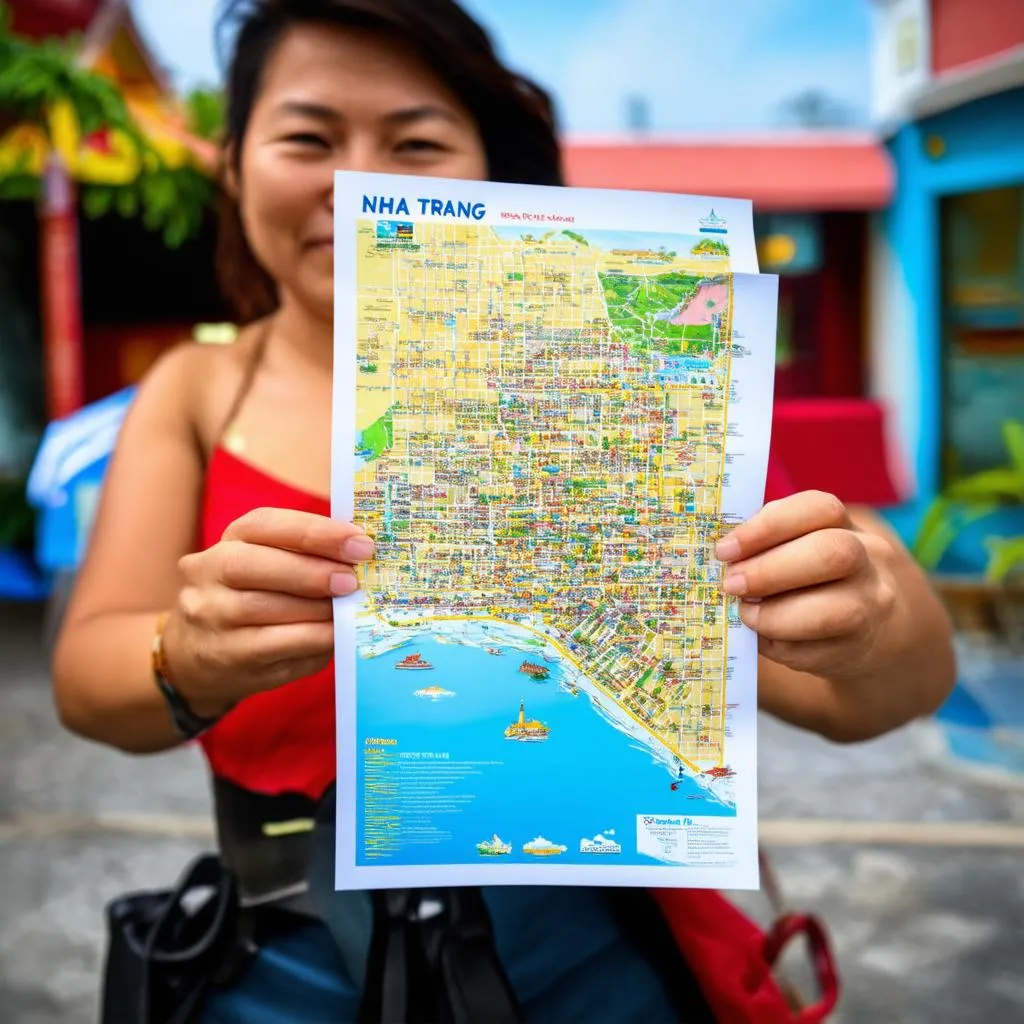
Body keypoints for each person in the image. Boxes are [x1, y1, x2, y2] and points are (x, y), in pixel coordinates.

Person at [51, 0, 957, 1020]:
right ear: (232, 164)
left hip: (592, 948)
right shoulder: (196, 389)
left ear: (492, 169)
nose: (358, 183)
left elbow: (873, 693)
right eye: (308, 136)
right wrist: (188, 652)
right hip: (284, 952)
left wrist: (872, 614)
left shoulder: (609, 379)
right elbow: (88, 680)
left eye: (416, 141)